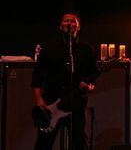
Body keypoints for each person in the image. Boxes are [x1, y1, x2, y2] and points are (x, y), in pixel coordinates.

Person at [32, 11, 100, 150]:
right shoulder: (48, 48)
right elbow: (37, 75)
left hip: (75, 104)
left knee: (80, 143)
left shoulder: (87, 49)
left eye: (73, 21)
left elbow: (92, 74)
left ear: (78, 26)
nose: (70, 23)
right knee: (43, 144)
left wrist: (89, 85)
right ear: (60, 25)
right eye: (66, 21)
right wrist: (39, 99)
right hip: (51, 102)